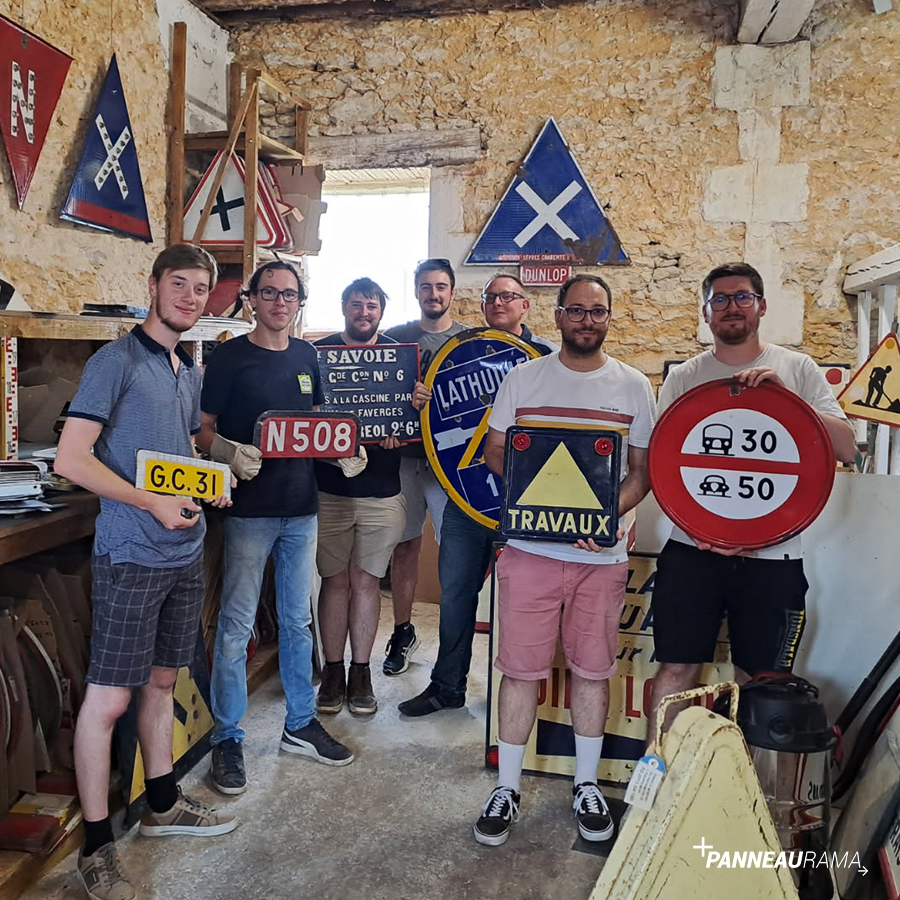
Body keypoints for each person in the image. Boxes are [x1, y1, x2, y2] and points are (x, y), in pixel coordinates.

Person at [55, 244, 237, 900]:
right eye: (179, 284)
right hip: (131, 555)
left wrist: (209, 481)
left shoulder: (187, 369)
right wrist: (151, 503)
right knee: (110, 699)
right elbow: (72, 460)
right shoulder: (115, 361)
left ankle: (162, 804)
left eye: (200, 288)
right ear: (153, 285)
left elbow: (180, 450)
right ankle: (98, 846)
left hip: (183, 555)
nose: (190, 297)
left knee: (163, 682)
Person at [472, 273, 656, 847]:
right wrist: (541, 505)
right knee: (519, 670)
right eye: (575, 310)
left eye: (596, 312)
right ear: (557, 316)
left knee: (593, 670)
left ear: (609, 317)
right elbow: (496, 452)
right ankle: (506, 787)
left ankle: (585, 784)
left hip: (600, 557)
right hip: (529, 552)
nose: (585, 320)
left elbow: (642, 472)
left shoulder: (632, 386)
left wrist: (597, 519)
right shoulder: (522, 378)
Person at [646, 262, 858, 746]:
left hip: (773, 559)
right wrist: (700, 530)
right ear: (705, 313)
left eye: (742, 297)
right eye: (719, 299)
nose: (731, 307)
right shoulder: (685, 376)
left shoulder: (798, 369)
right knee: (677, 670)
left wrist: (792, 403)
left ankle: (740, 799)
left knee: (759, 681)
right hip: (692, 551)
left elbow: (846, 449)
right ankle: (656, 786)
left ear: (761, 306)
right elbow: (664, 464)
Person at [199, 260, 353, 797]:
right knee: (236, 627)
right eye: (270, 293)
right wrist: (223, 451)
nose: (280, 303)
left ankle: (299, 723)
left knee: (296, 622)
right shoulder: (228, 358)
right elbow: (201, 430)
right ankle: (227, 735)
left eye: (289, 295)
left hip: (301, 507)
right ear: (252, 299)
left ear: (299, 302)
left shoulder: (310, 355)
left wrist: (341, 455)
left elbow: (316, 425)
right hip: (247, 512)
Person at [398, 273, 555, 717]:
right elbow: (437, 417)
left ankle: (521, 694)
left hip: (525, 502)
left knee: (524, 602)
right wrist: (422, 398)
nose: (499, 303)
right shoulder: (458, 352)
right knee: (455, 594)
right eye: (491, 297)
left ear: (526, 305)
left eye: (509, 296)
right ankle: (447, 687)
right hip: (466, 500)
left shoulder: (546, 357)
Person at [314, 278, 407, 716]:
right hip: (329, 489)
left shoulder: (399, 360)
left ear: (381, 313)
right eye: (356, 305)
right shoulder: (319, 356)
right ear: (344, 308)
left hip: (382, 490)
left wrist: (408, 415)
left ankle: (361, 670)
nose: (363, 313)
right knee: (334, 581)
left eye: (371, 306)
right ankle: (332, 670)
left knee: (368, 582)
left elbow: (408, 419)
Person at [381, 259, 467, 676]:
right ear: (416, 291)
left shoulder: (470, 341)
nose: (434, 294)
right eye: (426, 286)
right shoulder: (394, 339)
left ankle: (453, 644)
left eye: (441, 286)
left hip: (451, 466)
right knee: (405, 546)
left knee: (457, 553)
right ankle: (401, 630)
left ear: (452, 292)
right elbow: (376, 398)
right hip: (406, 460)